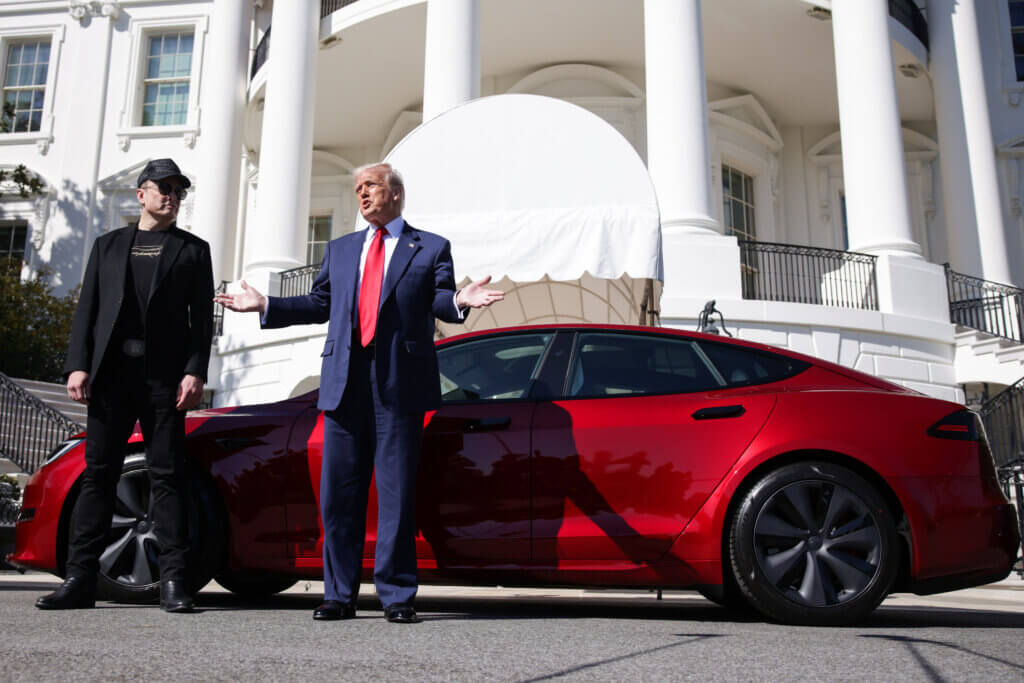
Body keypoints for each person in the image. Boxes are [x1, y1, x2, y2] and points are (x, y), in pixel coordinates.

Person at [214, 162, 502, 623]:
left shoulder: (429, 247)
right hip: (344, 384)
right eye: (357, 189)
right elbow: (319, 303)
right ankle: (338, 594)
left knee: (396, 495)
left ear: (395, 194)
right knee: (339, 497)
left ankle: (396, 596)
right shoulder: (342, 249)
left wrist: (460, 302)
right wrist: (266, 304)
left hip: (398, 387)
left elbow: (439, 298)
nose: (362, 195)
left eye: (370, 186)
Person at [36, 158, 214, 613]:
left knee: (167, 477)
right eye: (164, 187)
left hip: (165, 381)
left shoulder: (194, 250)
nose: (171, 195)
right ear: (142, 194)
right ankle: (80, 578)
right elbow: (87, 309)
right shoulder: (108, 246)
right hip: (111, 378)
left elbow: (200, 324)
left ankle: (175, 582)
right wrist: (78, 365)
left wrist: (196, 370)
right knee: (98, 477)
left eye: (179, 190)